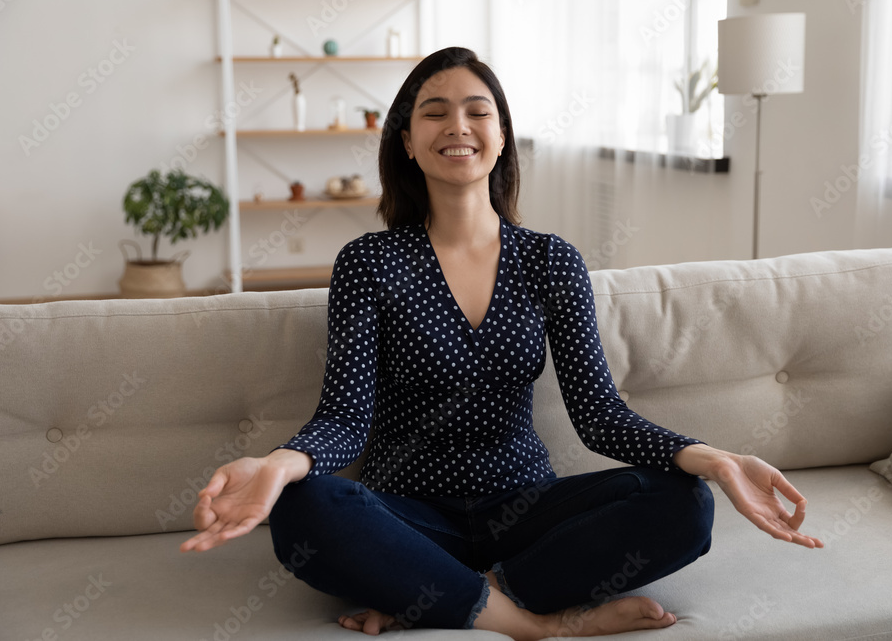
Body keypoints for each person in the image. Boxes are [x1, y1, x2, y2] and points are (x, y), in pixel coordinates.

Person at [179, 46, 822, 640]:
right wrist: (279, 464)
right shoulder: (368, 263)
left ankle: (444, 596)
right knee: (305, 506)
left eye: (476, 111)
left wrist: (714, 458)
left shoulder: (550, 261)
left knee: (683, 502)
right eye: (435, 113)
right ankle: (539, 624)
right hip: (410, 519)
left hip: (527, 517)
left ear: (502, 135)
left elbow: (601, 416)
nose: (457, 126)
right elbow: (344, 421)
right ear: (407, 142)